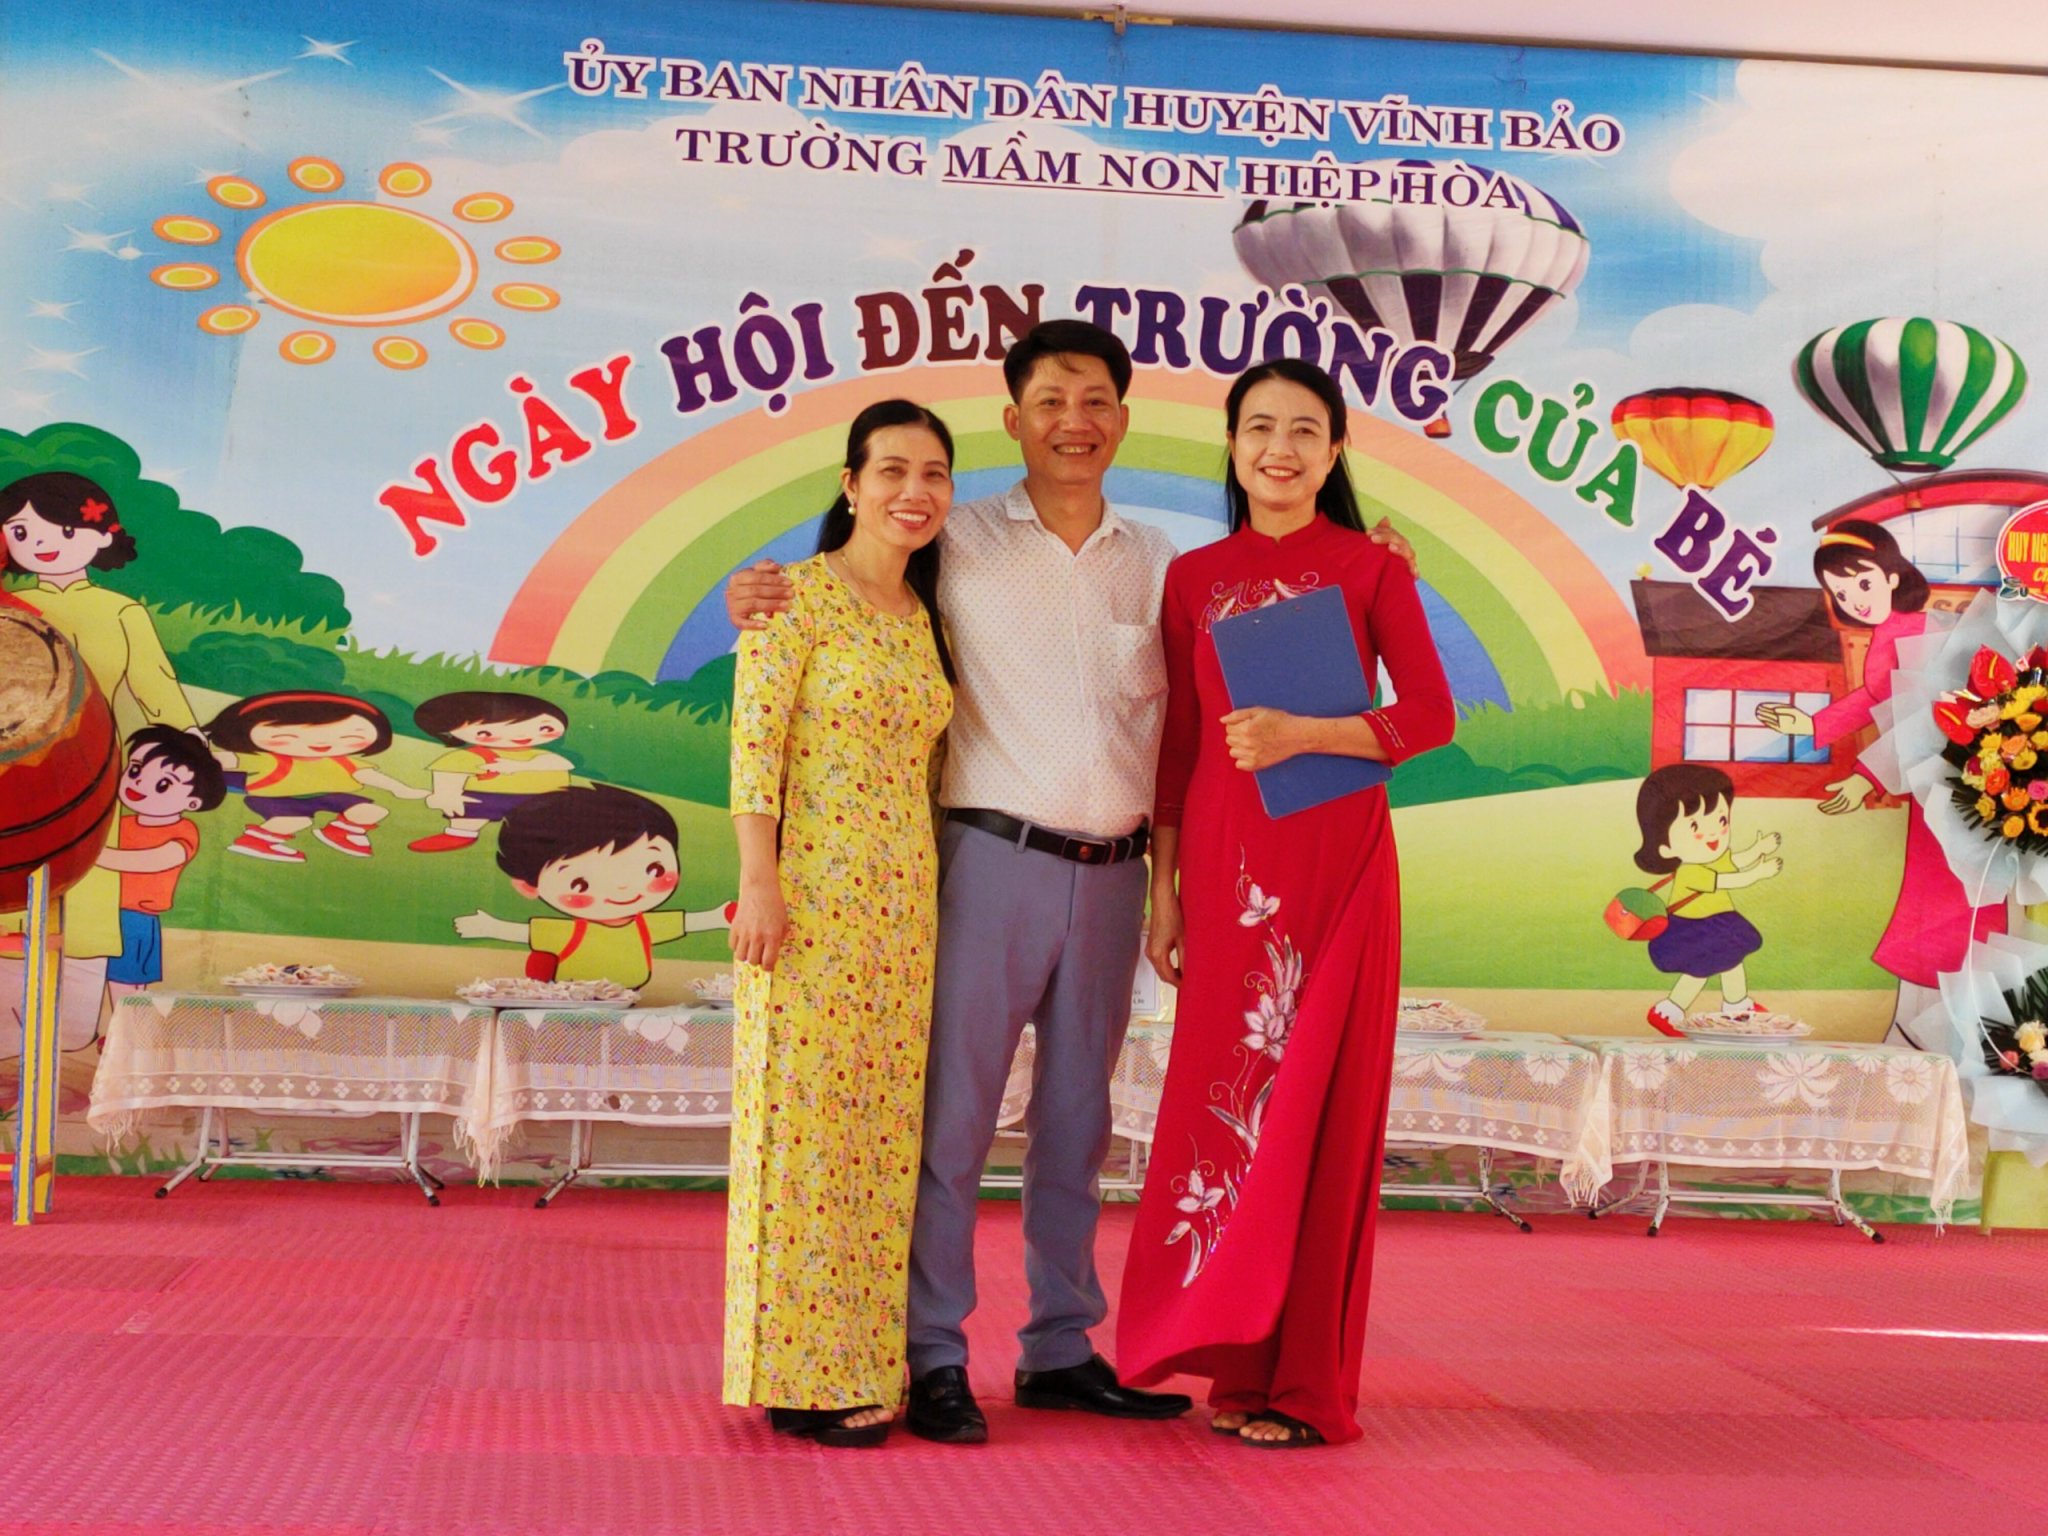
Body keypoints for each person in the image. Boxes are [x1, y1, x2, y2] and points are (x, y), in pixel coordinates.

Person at [728, 322, 1417, 1444]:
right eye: (1049, 401)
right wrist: (756, 592)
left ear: (1124, 420)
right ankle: (932, 1354)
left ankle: (1059, 1346)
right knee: (953, 1123)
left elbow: (1201, 721)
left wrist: (1381, 564)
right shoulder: (955, 539)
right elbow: (852, 580)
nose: (1073, 422)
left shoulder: (1165, 562)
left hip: (1113, 874)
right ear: (1014, 419)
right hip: (986, 862)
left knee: (1077, 1125)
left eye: (1095, 401)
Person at [1116, 357, 1454, 1448]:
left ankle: (1303, 1385)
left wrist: (1303, 733)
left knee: (1319, 1109)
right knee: (1225, 1107)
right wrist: (1163, 895)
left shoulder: (1370, 568)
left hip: (1338, 870)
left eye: (1304, 429)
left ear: (1334, 449)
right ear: (1230, 444)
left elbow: (1432, 716)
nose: (1279, 448)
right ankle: (1229, 1362)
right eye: (1258, 427)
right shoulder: (1192, 578)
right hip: (1225, 874)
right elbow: (1178, 747)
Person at [722, 399, 957, 1449]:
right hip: (807, 904)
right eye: (892, 470)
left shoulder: (926, 617)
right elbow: (755, 747)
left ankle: (861, 1363)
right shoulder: (794, 599)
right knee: (802, 1133)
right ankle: (796, 1373)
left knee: (878, 1140)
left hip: (904, 914)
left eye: (934, 474)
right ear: (850, 483)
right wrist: (758, 883)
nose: (914, 491)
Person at [1755, 520, 2001, 1043]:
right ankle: (1917, 1027)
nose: (1856, 600)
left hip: (1959, 788)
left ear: (1891, 575)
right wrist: (1814, 726)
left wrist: (1865, 777)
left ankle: (1934, 1030)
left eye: (1862, 583)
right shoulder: (1893, 632)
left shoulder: (1924, 632)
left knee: (1952, 904)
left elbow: (1927, 718)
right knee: (1932, 905)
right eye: (1842, 594)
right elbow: (1875, 697)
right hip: (1935, 792)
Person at [2, 471, 196, 1048]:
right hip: (14, 780)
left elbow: (155, 685)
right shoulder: (14, 607)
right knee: (11, 903)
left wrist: (192, 740)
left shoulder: (121, 612)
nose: (41, 543)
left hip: (90, 775)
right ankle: (9, 1033)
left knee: (86, 903)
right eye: (21, 530)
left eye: (63, 529)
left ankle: (69, 1033)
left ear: (101, 534)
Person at [453, 784, 731, 988]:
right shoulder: (572, 932)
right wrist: (490, 927)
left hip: (631, 1001)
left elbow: (687, 923)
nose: (623, 887)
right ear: (528, 887)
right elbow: (526, 933)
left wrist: (720, 916)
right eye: (580, 884)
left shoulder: (643, 926)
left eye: (653, 869)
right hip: (571, 1000)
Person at [1633, 764, 1784, 1032]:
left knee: (1732, 961)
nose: (1714, 833)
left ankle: (1736, 1007)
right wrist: (1758, 873)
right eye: (1695, 826)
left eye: (1722, 821)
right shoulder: (1690, 871)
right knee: (1698, 972)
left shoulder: (1713, 858)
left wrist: (1758, 849)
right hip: (1693, 928)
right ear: (1666, 848)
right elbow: (1727, 880)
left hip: (1718, 923)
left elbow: (1734, 862)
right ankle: (1669, 1010)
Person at [203, 691, 424, 862]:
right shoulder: (268, 760)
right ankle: (257, 841)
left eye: (349, 737)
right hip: (276, 798)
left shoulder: (344, 761)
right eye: (287, 735)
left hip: (329, 796)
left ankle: (341, 832)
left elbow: (367, 775)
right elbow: (228, 760)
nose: (321, 742)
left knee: (374, 810)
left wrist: (399, 788)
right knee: (295, 821)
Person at [99, 727, 228, 1002]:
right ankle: (126, 1026)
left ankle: (126, 1027)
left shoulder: (182, 831)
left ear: (193, 802)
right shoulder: (120, 824)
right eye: (135, 770)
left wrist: (94, 855)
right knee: (124, 984)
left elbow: (151, 861)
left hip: (137, 918)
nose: (138, 784)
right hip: (110, 913)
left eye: (163, 785)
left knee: (128, 984)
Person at [408, 691, 574, 853]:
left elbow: (561, 763)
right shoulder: (470, 756)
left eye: (544, 728)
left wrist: (520, 765)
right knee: (467, 813)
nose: (521, 735)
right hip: (485, 797)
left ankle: (539, 841)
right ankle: (460, 833)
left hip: (541, 799)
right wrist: (446, 795)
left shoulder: (542, 755)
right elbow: (449, 774)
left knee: (540, 823)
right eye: (485, 733)